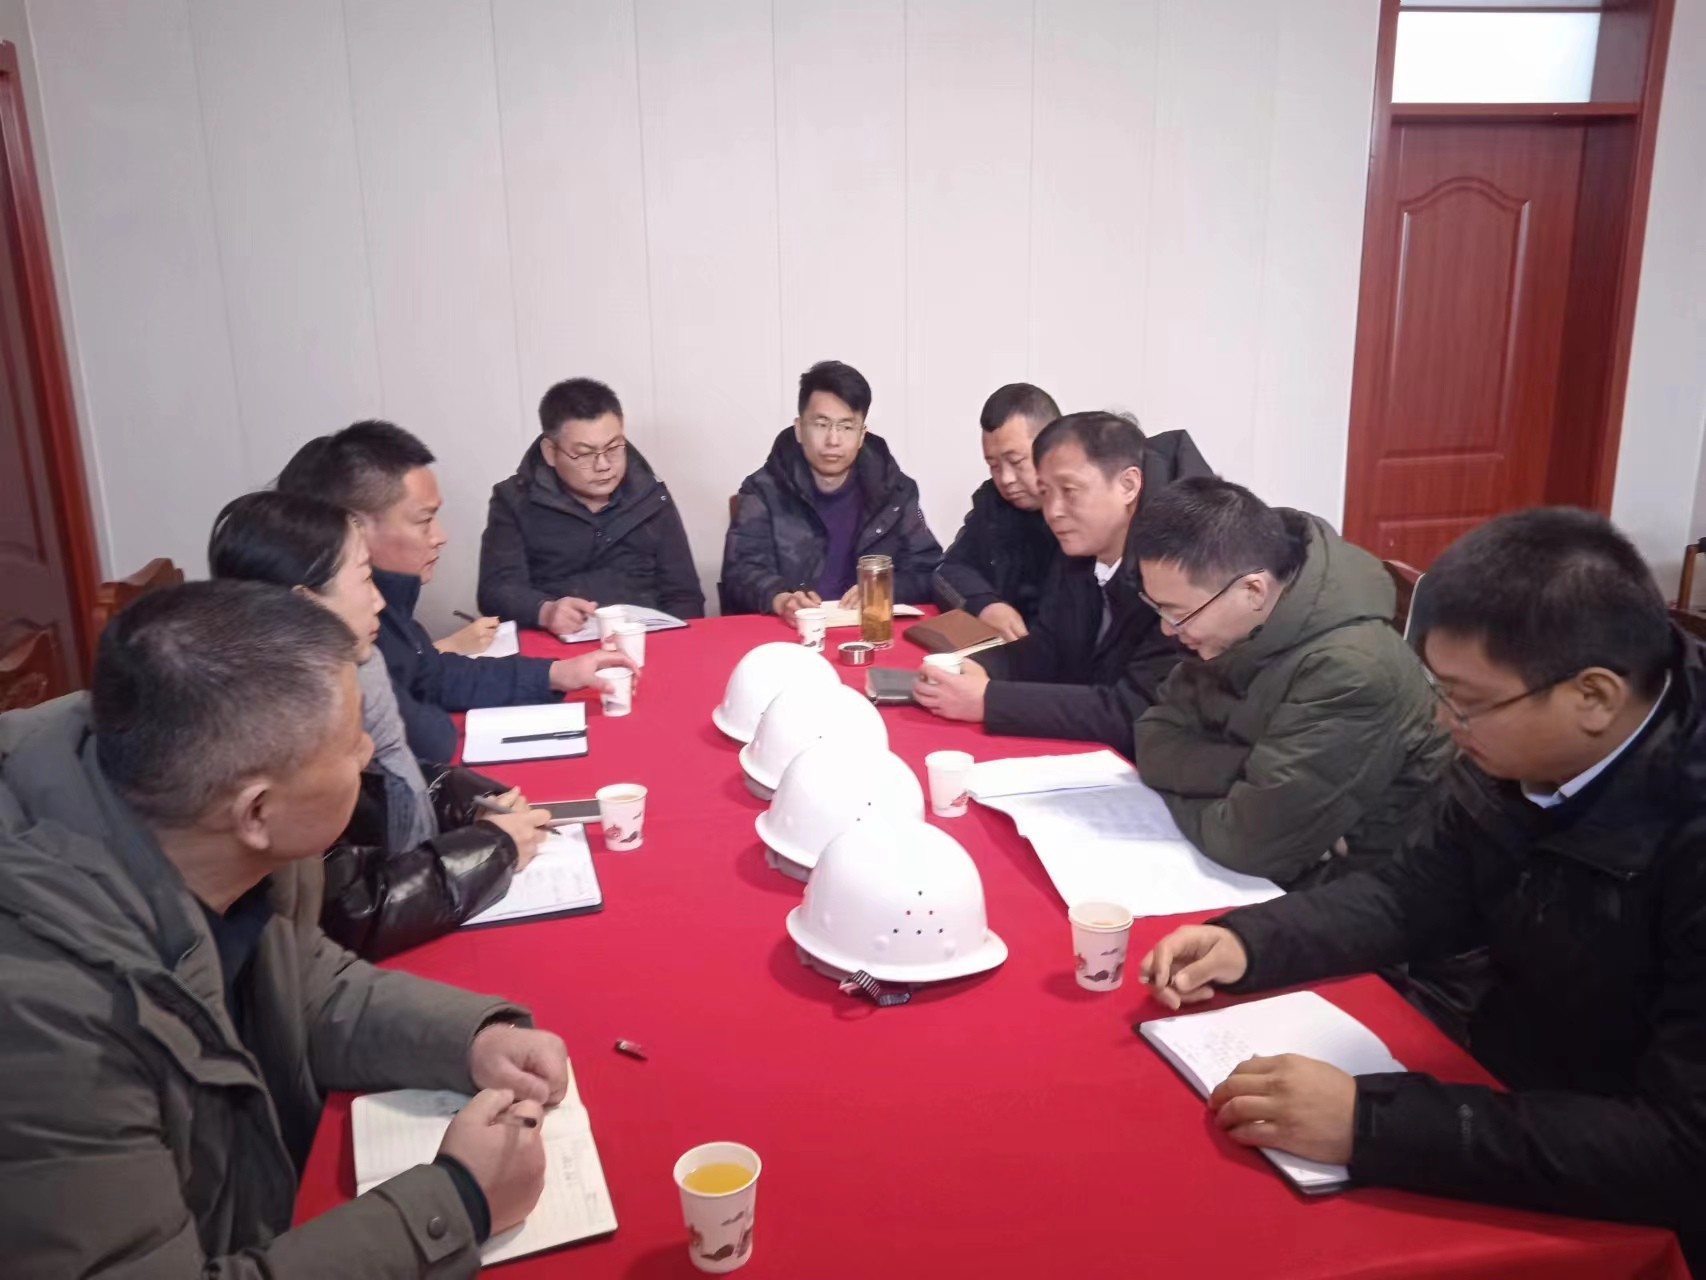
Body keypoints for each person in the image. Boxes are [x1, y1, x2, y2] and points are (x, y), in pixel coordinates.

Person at [1140, 508, 1706, 1266]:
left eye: (1467, 701)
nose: (1446, 720)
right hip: (1511, 1088)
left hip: (1626, 1183)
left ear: (1594, 697)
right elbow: (1413, 894)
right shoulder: (1518, 752)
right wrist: (1250, 941)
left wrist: (1372, 1124)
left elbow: (1680, 1146)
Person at [0, 580, 570, 1276]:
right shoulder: (48, 1019)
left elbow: (301, 981)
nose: (368, 753)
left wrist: (471, 1040)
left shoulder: (193, 831)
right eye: (350, 743)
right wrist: (458, 1201)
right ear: (257, 812)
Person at [210, 490, 550, 958]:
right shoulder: (267, 724)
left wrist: (469, 803)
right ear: (305, 604)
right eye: (366, 578)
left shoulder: (348, 667)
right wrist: (494, 850)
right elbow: (350, 909)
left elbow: (381, 786)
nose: (379, 601)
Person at [1131, 477, 1452, 888]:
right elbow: (1152, 737)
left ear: (1252, 590)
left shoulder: (1351, 671)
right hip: (1286, 864)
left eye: (1178, 613)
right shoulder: (1231, 629)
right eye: (1160, 610)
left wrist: (1206, 792)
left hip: (1365, 890)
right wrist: (1246, 771)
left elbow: (1247, 846)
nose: (1167, 629)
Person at [279, 420, 634, 762]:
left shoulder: (389, 602)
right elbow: (428, 737)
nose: (440, 536)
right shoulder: (343, 625)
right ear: (352, 527)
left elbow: (433, 674)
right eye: (423, 520)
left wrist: (557, 673)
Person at [914, 411, 1210, 751]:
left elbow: (1137, 711)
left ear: (1128, 485)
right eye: (1045, 493)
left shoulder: (1180, 571)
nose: (1053, 511)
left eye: (1070, 491)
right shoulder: (1081, 549)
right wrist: (979, 667)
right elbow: (1048, 648)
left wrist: (990, 700)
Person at [479, 377, 704, 635]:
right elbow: (496, 591)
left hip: (643, 640)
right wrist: (545, 611)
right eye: (585, 453)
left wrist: (674, 643)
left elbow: (684, 594)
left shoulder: (650, 496)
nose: (604, 465)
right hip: (555, 643)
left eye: (613, 448)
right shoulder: (515, 500)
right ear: (550, 452)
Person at [720, 359, 942, 619]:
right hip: (793, 629)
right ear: (799, 429)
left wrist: (883, 588)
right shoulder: (763, 490)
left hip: (869, 627)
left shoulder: (896, 491)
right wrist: (779, 598)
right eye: (821, 424)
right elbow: (740, 571)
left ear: (861, 435)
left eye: (846, 427)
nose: (833, 440)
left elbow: (928, 569)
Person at [931, 383, 1065, 640]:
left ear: (1054, 446)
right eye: (993, 465)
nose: (1006, 479)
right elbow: (948, 571)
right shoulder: (993, 503)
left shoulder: (1084, 512)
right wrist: (986, 605)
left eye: (1016, 462)